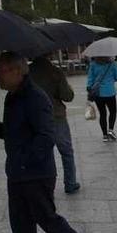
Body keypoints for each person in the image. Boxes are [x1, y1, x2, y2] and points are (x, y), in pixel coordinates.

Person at [0, 51, 97, 233]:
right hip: (18, 171)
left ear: (16, 71)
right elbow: (14, 134)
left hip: (35, 172)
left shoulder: (34, 98)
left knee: (45, 216)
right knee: (19, 219)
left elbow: (45, 137)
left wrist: (25, 163)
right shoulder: (13, 96)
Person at [29, 55, 81, 194]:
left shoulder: (27, 73)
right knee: (66, 152)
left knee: (43, 153)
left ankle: (44, 186)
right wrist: (66, 85)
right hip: (56, 116)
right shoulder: (55, 72)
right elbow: (67, 96)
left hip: (36, 119)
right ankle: (70, 183)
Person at [86, 56, 117, 142]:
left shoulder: (93, 64)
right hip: (110, 93)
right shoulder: (112, 64)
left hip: (98, 94)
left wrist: (89, 87)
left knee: (102, 114)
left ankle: (104, 135)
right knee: (113, 112)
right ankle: (110, 130)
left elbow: (90, 79)